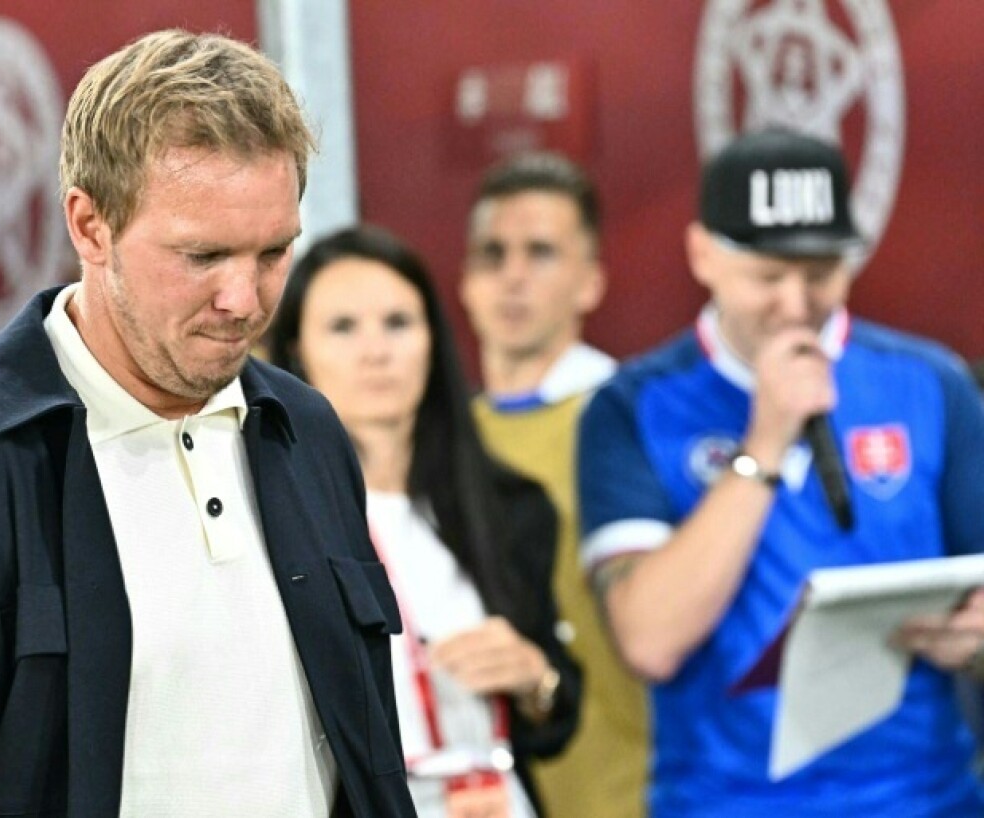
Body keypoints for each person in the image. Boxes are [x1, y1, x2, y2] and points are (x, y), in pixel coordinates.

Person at [0, 30, 415, 817]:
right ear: (89, 225)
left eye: (273, 252)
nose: (243, 300)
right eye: (202, 257)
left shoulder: (305, 430)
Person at [578, 127, 984, 816]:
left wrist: (973, 640)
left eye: (820, 273)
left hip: (923, 794)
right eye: (767, 276)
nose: (795, 305)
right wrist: (765, 442)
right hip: (724, 799)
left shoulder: (931, 382)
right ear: (703, 255)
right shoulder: (633, 406)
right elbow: (649, 641)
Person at [266, 225, 581, 818]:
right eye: (343, 327)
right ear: (296, 351)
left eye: (398, 323)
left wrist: (535, 679)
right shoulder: (272, 516)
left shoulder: (510, 505)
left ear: (433, 340)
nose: (376, 351)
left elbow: (556, 717)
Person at [460, 152, 649, 818]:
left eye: (540, 252)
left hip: (631, 791)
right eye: (492, 253)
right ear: (465, 282)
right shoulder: (440, 442)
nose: (512, 275)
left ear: (591, 282)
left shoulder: (630, 423)